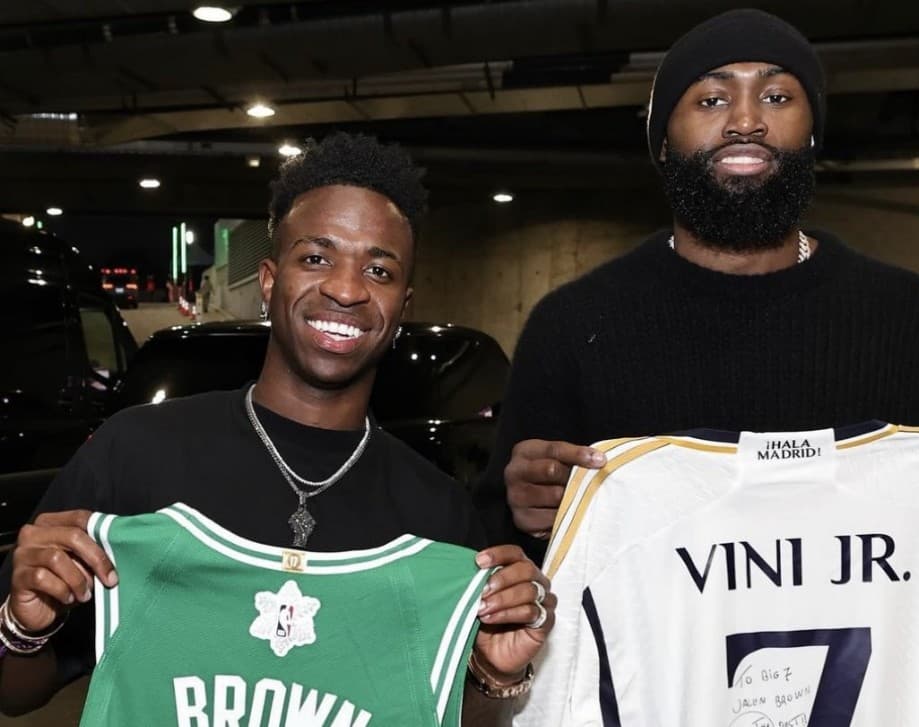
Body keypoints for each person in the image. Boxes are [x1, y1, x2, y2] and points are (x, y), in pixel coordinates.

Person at [0, 132, 554, 725]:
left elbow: (446, 713)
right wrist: (20, 624)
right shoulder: (134, 454)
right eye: (316, 258)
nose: (346, 289)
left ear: (403, 304)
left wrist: (496, 676)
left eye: (379, 269)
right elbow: (17, 694)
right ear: (269, 281)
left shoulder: (438, 518)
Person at [476, 8, 919, 562]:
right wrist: (524, 515)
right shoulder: (574, 323)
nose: (746, 122)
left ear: (811, 134)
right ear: (661, 142)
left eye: (777, 96)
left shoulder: (897, 311)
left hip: (857, 664)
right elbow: (500, 548)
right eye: (711, 99)